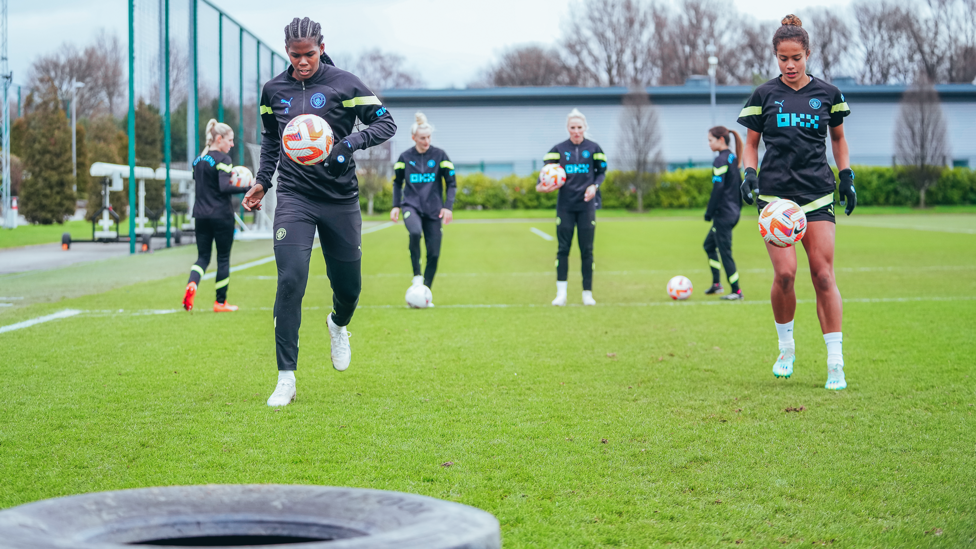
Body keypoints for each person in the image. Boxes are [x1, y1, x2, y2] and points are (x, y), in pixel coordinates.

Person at [242, 16, 396, 407]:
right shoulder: (273, 90)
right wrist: (263, 181)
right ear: (287, 53)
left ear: (321, 48)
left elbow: (386, 123)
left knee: (349, 289)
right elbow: (271, 140)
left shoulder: (346, 84)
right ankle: (286, 378)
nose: (303, 62)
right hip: (294, 197)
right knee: (290, 280)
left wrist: (350, 142)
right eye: (295, 56)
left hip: (340, 199)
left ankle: (338, 324)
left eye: (309, 54)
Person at [737, 14, 855, 390]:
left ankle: (835, 362)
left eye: (796, 58)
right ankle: (786, 348)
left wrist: (846, 175)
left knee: (823, 275)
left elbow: (837, 139)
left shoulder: (828, 94)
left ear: (808, 54)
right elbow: (751, 145)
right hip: (775, 200)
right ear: (775, 57)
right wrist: (749, 174)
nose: (790, 65)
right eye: (783, 59)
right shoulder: (763, 96)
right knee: (785, 274)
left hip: (817, 193)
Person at [539, 108, 607, 306]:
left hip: (586, 207)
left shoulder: (594, 149)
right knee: (563, 249)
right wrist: (544, 187)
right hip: (565, 207)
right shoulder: (558, 150)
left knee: (587, 250)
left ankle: (587, 293)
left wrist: (594, 186)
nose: (576, 131)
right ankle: (561, 294)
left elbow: (601, 173)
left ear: (585, 128)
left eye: (579, 127)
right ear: (567, 129)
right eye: (572, 127)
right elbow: (543, 177)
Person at [182, 119, 250, 313]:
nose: (232, 144)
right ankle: (220, 303)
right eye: (229, 140)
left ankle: (192, 284)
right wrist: (248, 186)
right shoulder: (224, 160)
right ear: (218, 139)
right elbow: (223, 187)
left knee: (202, 258)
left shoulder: (198, 160)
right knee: (223, 259)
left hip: (200, 216)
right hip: (221, 216)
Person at [390, 112, 456, 300]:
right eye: (422, 138)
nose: (426, 141)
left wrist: (448, 206)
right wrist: (396, 205)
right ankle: (417, 276)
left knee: (434, 253)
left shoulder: (440, 155)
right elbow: (397, 183)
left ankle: (424, 293)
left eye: (428, 137)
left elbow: (451, 183)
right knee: (415, 233)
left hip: (434, 210)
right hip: (411, 206)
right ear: (414, 138)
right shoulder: (404, 157)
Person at [703, 126, 744, 301]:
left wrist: (709, 212)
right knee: (709, 246)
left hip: (723, 214)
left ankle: (736, 291)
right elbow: (739, 186)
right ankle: (717, 285)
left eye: (710, 140)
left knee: (725, 251)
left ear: (721, 140)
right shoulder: (732, 157)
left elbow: (718, 189)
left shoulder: (720, 160)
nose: (709, 144)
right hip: (733, 212)